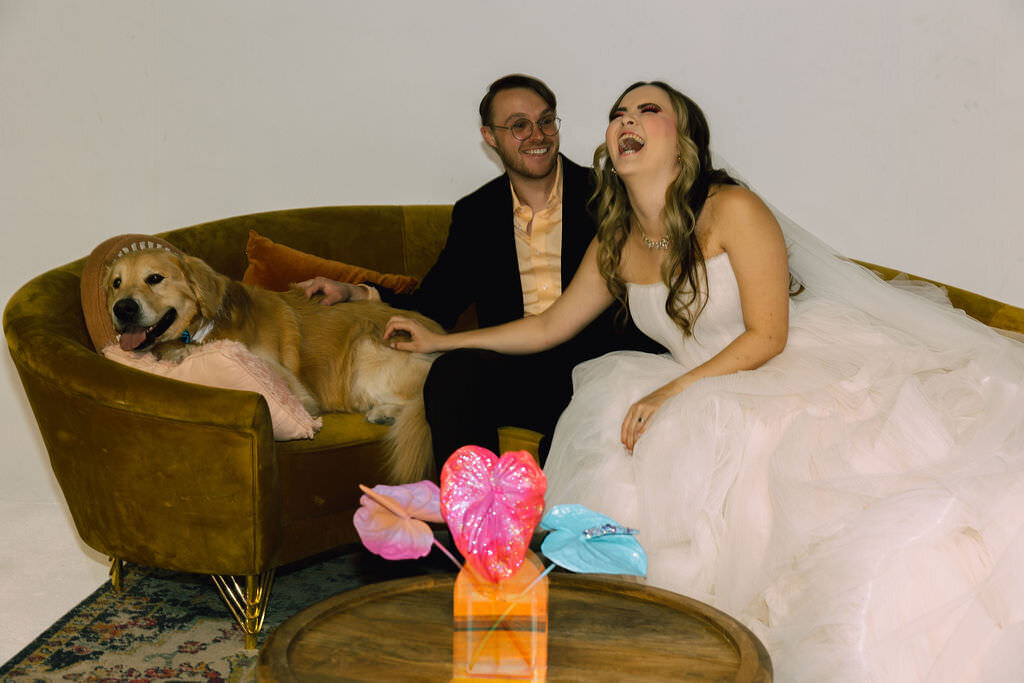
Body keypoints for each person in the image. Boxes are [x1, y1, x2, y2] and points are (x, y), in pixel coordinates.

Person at [386, 81, 1024, 680]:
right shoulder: (618, 236)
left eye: (647, 110)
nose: (627, 121)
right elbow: (549, 326)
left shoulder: (732, 208)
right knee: (625, 456)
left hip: (782, 375)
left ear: (684, 139)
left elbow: (768, 336)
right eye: (618, 113)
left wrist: (672, 390)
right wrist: (444, 341)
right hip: (696, 385)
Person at [300, 74, 659, 473]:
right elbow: (436, 301)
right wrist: (357, 293)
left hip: (599, 362)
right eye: (519, 125)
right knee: (452, 375)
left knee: (577, 419)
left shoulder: (608, 195)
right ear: (490, 136)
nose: (537, 135)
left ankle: (557, 518)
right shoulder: (476, 213)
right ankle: (470, 524)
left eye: (546, 121)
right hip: (517, 362)